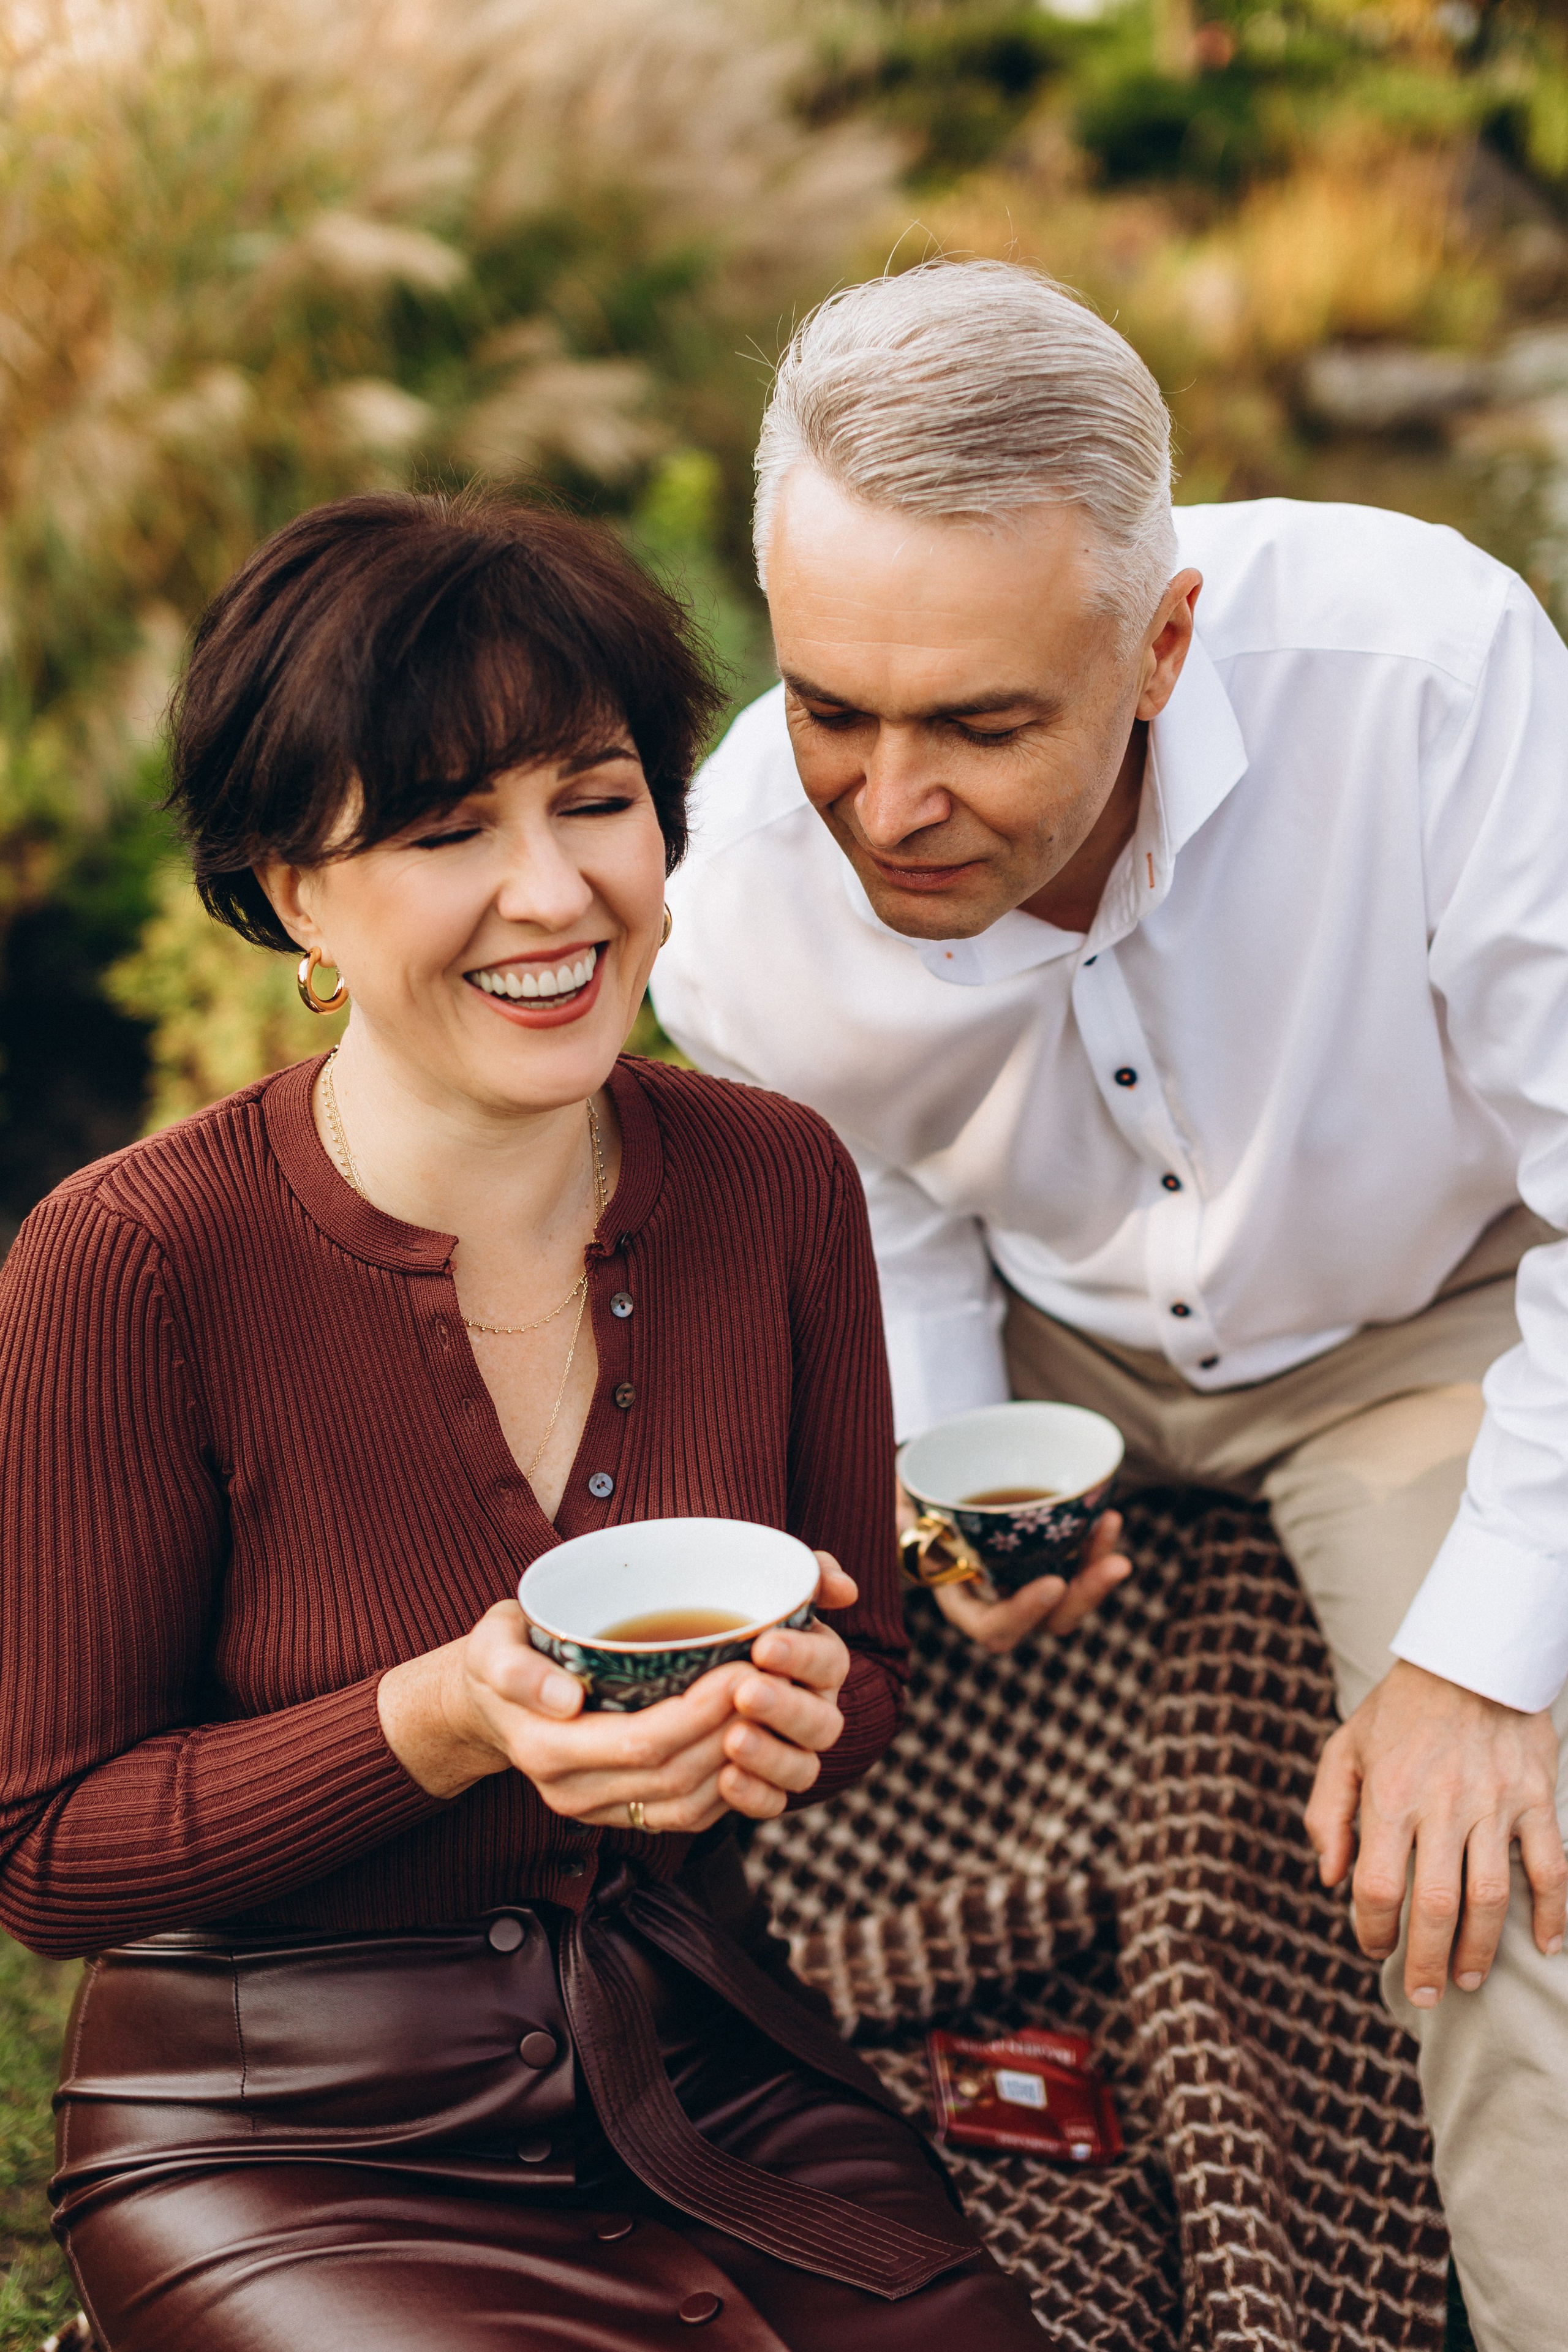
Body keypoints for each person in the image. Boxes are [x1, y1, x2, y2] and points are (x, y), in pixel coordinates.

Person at [0, 492, 1043, 2351]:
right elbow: (50, 1849)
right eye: (441, 830)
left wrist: (795, 1722)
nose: (556, 892)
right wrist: (443, 1718)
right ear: (290, 889)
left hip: (704, 2051)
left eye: (595, 795)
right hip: (276, 2117)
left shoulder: (778, 1179)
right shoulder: (131, 1261)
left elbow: (864, 1661)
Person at [651, 258, 1568, 2352]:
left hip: (1420, 1333)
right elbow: (870, 1176)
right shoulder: (736, 882)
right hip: (1059, 1342)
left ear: (1161, 643)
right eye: (832, 710)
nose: (887, 804)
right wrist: (962, 1459)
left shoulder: (1430, 674)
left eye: (981, 725)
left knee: (1505, 1874)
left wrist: (1479, 1672)